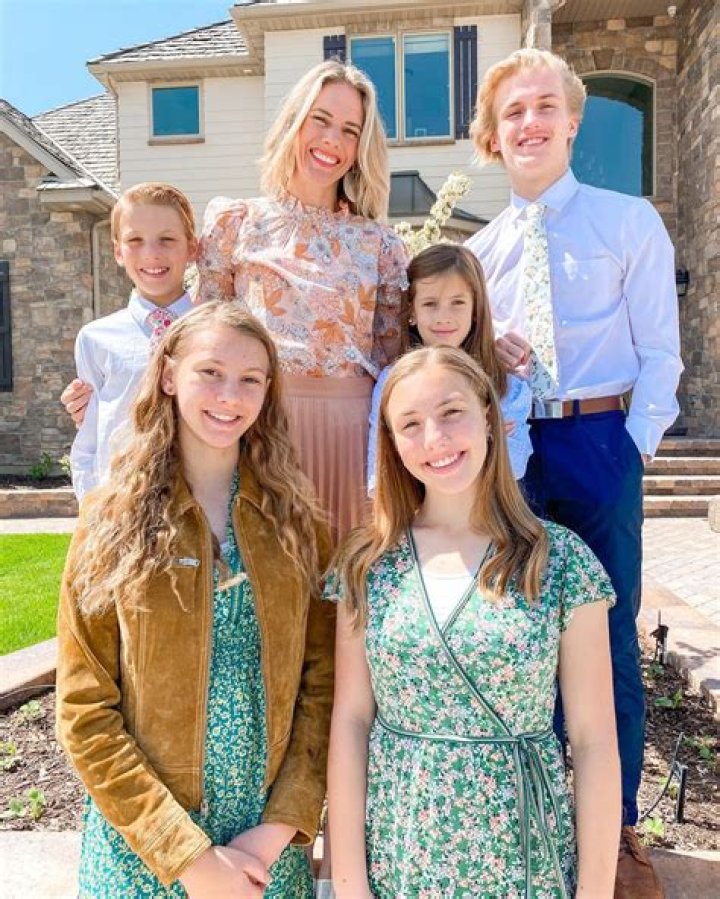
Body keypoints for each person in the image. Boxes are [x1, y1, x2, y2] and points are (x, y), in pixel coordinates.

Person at [466, 48, 682, 898]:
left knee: (609, 636)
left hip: (599, 441)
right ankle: (537, 819)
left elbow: (660, 348)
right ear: (494, 134)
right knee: (518, 638)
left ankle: (616, 830)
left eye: (544, 106)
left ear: (572, 121)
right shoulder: (479, 254)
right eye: (513, 112)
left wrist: (635, 446)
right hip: (511, 452)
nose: (530, 123)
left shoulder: (627, 222)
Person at [56, 302, 335, 898]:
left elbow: (322, 685)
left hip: (265, 852)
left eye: (250, 379)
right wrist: (188, 857)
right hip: (143, 852)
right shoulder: (111, 523)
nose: (230, 396)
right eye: (210, 372)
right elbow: (84, 709)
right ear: (168, 375)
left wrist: (280, 828)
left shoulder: (297, 525)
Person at [327, 346, 620, 898]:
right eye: (410, 424)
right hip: (402, 856)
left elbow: (593, 740)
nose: (434, 438)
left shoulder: (559, 561)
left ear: (489, 415)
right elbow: (351, 721)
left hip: (525, 859)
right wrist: (349, 883)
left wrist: (595, 891)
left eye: (451, 412)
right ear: (391, 443)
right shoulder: (368, 564)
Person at [196, 59, 408, 539]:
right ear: (294, 121)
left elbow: (395, 364)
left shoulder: (380, 245)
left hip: (351, 436)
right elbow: (200, 345)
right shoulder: (235, 224)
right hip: (258, 428)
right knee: (263, 575)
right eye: (321, 120)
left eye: (350, 131)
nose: (332, 140)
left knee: (348, 575)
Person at [66, 182, 198, 499]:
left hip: (198, 498)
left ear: (192, 248)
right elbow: (91, 437)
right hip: (123, 500)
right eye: (135, 241)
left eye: (167, 239)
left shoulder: (216, 333)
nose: (151, 253)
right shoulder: (95, 339)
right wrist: (92, 507)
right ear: (117, 251)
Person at [367, 243, 532, 493]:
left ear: (475, 310)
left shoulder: (506, 384)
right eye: (430, 304)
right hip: (417, 510)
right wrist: (486, 436)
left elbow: (515, 465)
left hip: (486, 511)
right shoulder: (393, 381)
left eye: (457, 302)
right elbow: (379, 472)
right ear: (412, 311)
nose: (443, 316)